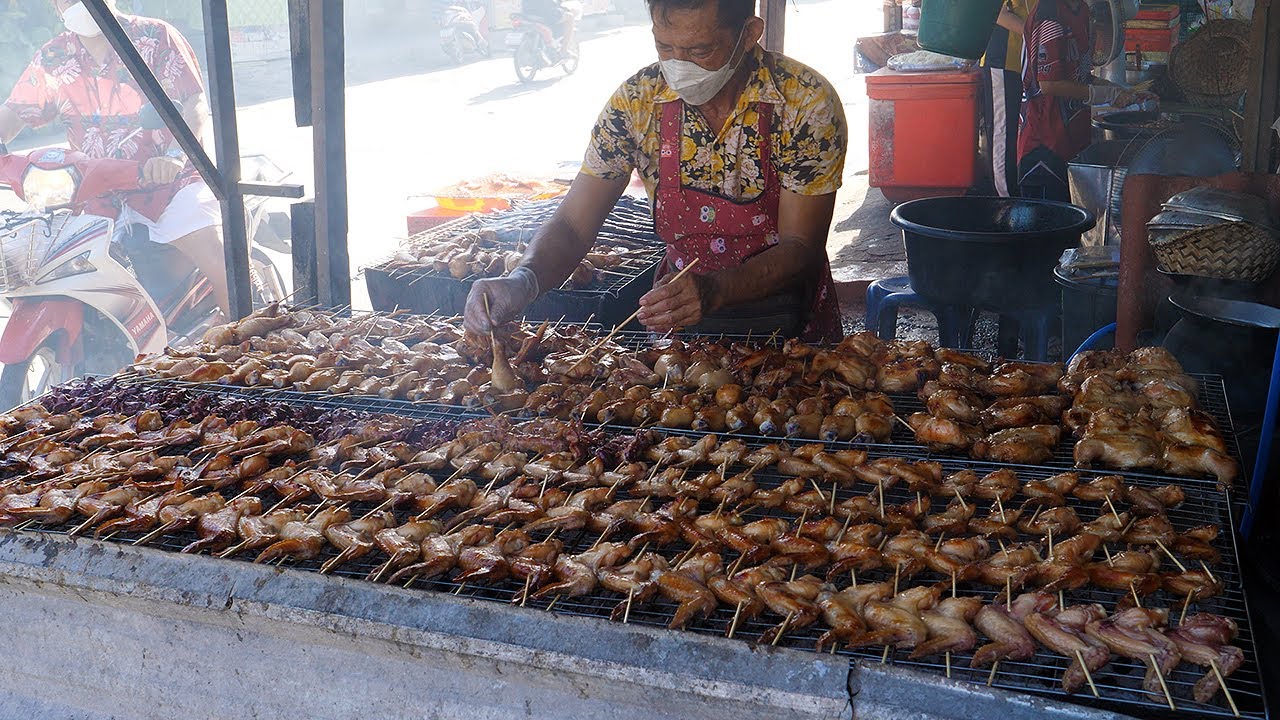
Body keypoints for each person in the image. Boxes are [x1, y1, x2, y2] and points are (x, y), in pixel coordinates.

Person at [465, 0, 847, 342]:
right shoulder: (636, 102)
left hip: (788, 320)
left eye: (700, 50)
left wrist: (716, 289)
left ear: (748, 34)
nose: (679, 66)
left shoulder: (804, 102)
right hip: (678, 324)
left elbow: (801, 247)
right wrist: (524, 280)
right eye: (665, 47)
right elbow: (573, 224)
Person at [0, 0, 230, 319]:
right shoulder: (55, 55)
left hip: (168, 185)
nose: (75, 3)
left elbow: (194, 102)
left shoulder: (155, 36)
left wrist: (177, 155)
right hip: (94, 196)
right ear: (56, 7)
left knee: (220, 262)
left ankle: (258, 330)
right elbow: (14, 112)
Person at [1018, 0, 1150, 201]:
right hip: (1045, 147)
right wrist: (1108, 96)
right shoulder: (1050, 17)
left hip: (1074, 140)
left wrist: (1124, 91)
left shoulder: (1083, 12)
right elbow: (1049, 85)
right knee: (1051, 224)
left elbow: (1082, 74)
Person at [979, 0, 1036, 197]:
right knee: (1003, 132)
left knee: (1019, 130)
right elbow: (995, 13)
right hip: (1003, 61)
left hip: (1026, 60)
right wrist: (1036, 32)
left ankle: (1015, 192)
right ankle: (1005, 199)